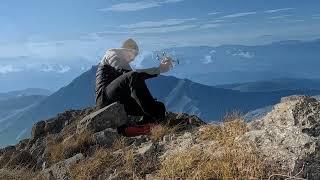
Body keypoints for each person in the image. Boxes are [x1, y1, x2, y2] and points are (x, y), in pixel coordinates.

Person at [95, 39, 172, 133]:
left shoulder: (124, 65)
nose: (133, 59)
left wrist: (159, 70)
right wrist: (159, 69)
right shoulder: (112, 54)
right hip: (105, 99)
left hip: (119, 100)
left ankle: (145, 125)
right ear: (127, 50)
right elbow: (131, 75)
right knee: (133, 76)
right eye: (134, 55)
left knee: (159, 106)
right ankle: (154, 118)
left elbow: (134, 79)